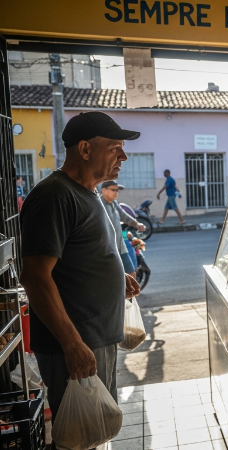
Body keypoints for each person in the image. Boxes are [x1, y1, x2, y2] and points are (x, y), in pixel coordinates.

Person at [19, 111, 141, 427]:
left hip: (95, 339)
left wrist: (117, 277)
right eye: (115, 147)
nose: (123, 156)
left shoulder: (86, 192)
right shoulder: (54, 196)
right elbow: (35, 276)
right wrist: (73, 345)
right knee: (79, 438)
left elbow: (77, 256)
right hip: (74, 345)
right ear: (85, 150)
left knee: (95, 432)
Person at [100, 180, 145, 276]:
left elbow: (124, 216)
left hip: (120, 247)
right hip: (106, 250)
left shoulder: (114, 203)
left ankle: (127, 291)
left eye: (117, 190)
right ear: (104, 190)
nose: (116, 193)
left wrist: (137, 224)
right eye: (113, 190)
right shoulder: (98, 205)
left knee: (131, 274)